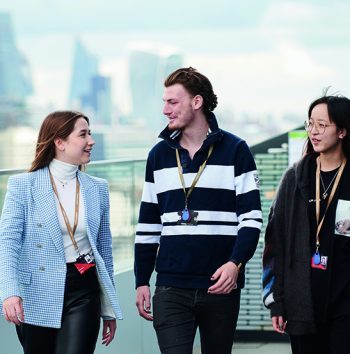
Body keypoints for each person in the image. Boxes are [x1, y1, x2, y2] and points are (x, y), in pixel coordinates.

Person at [134, 67, 262, 354]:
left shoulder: (236, 150)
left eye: (173, 102)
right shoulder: (158, 155)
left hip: (220, 283)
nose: (165, 110)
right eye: (164, 102)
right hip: (170, 286)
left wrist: (235, 263)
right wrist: (142, 280)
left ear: (197, 102)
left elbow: (251, 218)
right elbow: (148, 225)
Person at [0, 111, 123, 354]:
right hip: (36, 291)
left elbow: (104, 249)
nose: (91, 141)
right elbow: (8, 242)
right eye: (83, 134)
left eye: (90, 133)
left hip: (84, 290)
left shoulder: (97, 188)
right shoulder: (23, 185)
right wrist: (9, 292)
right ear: (60, 142)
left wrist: (108, 306)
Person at [262, 95, 350, 354]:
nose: (313, 131)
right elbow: (274, 244)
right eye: (310, 123)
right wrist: (276, 302)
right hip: (303, 304)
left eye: (322, 125)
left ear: (343, 131)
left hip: (344, 303)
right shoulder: (295, 177)